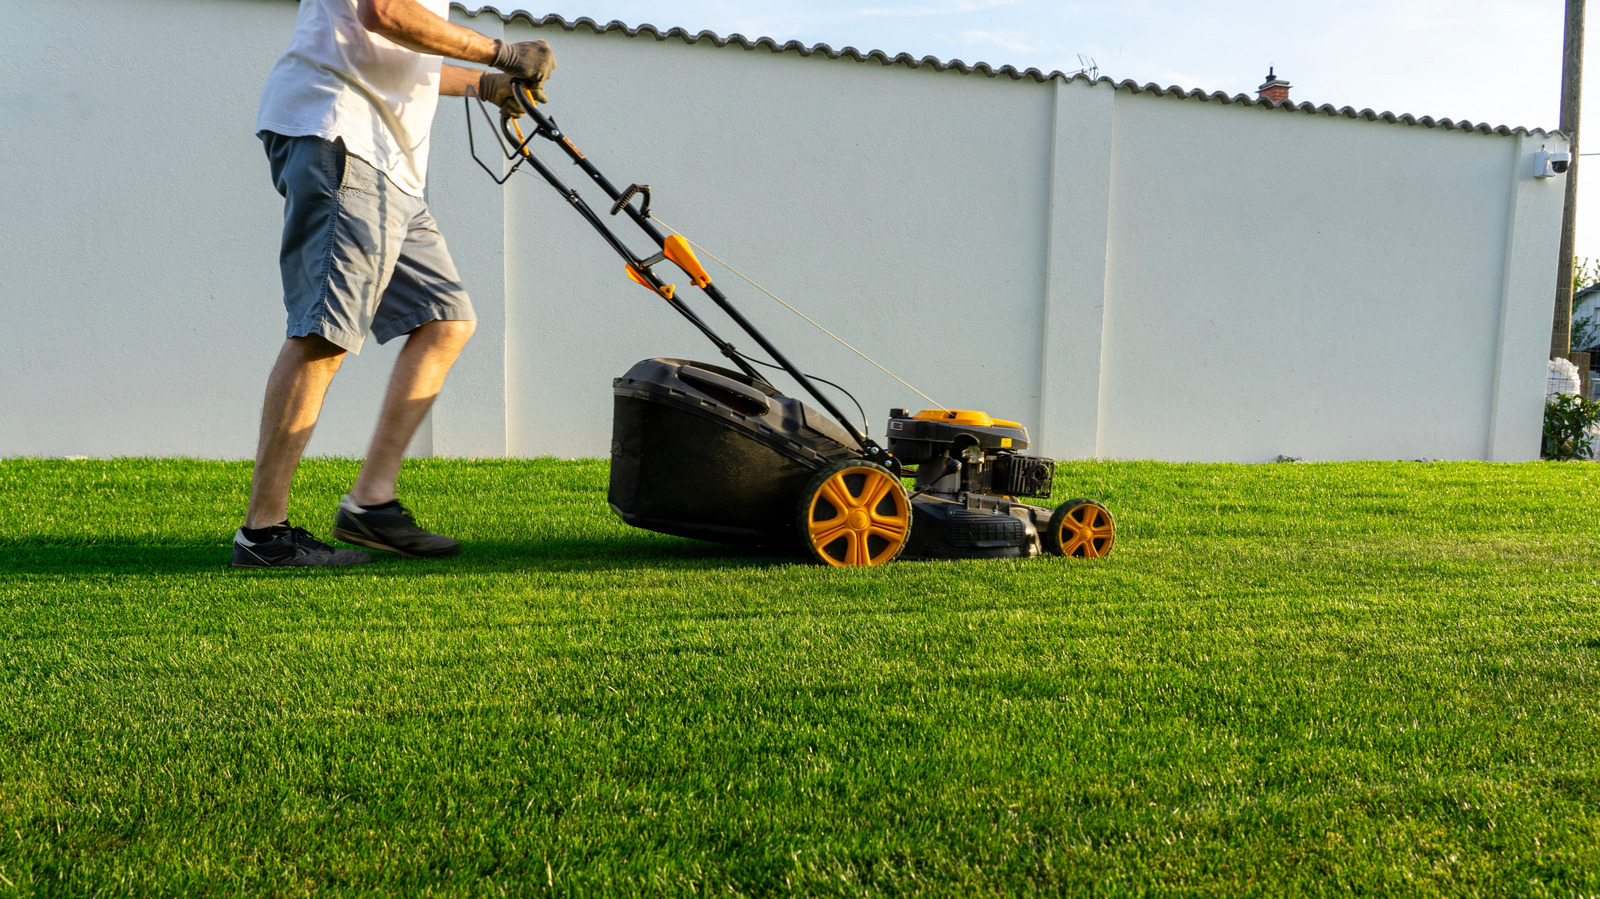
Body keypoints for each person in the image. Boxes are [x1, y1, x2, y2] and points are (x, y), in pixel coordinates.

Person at [232, 0, 553, 568]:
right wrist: (504, 53)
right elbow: (385, 14)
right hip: (343, 136)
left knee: (445, 320)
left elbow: (404, 55)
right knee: (324, 331)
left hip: (393, 169)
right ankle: (264, 537)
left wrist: (486, 84)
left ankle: (371, 505)